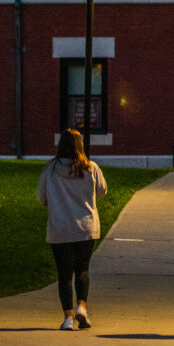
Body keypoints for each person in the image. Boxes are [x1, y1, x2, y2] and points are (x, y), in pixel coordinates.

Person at [36, 128, 108, 331]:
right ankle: (82, 307)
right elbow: (102, 191)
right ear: (80, 146)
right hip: (85, 228)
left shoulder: (50, 169)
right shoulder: (91, 168)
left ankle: (68, 318)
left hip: (60, 228)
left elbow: (42, 198)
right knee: (82, 269)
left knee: (64, 274)